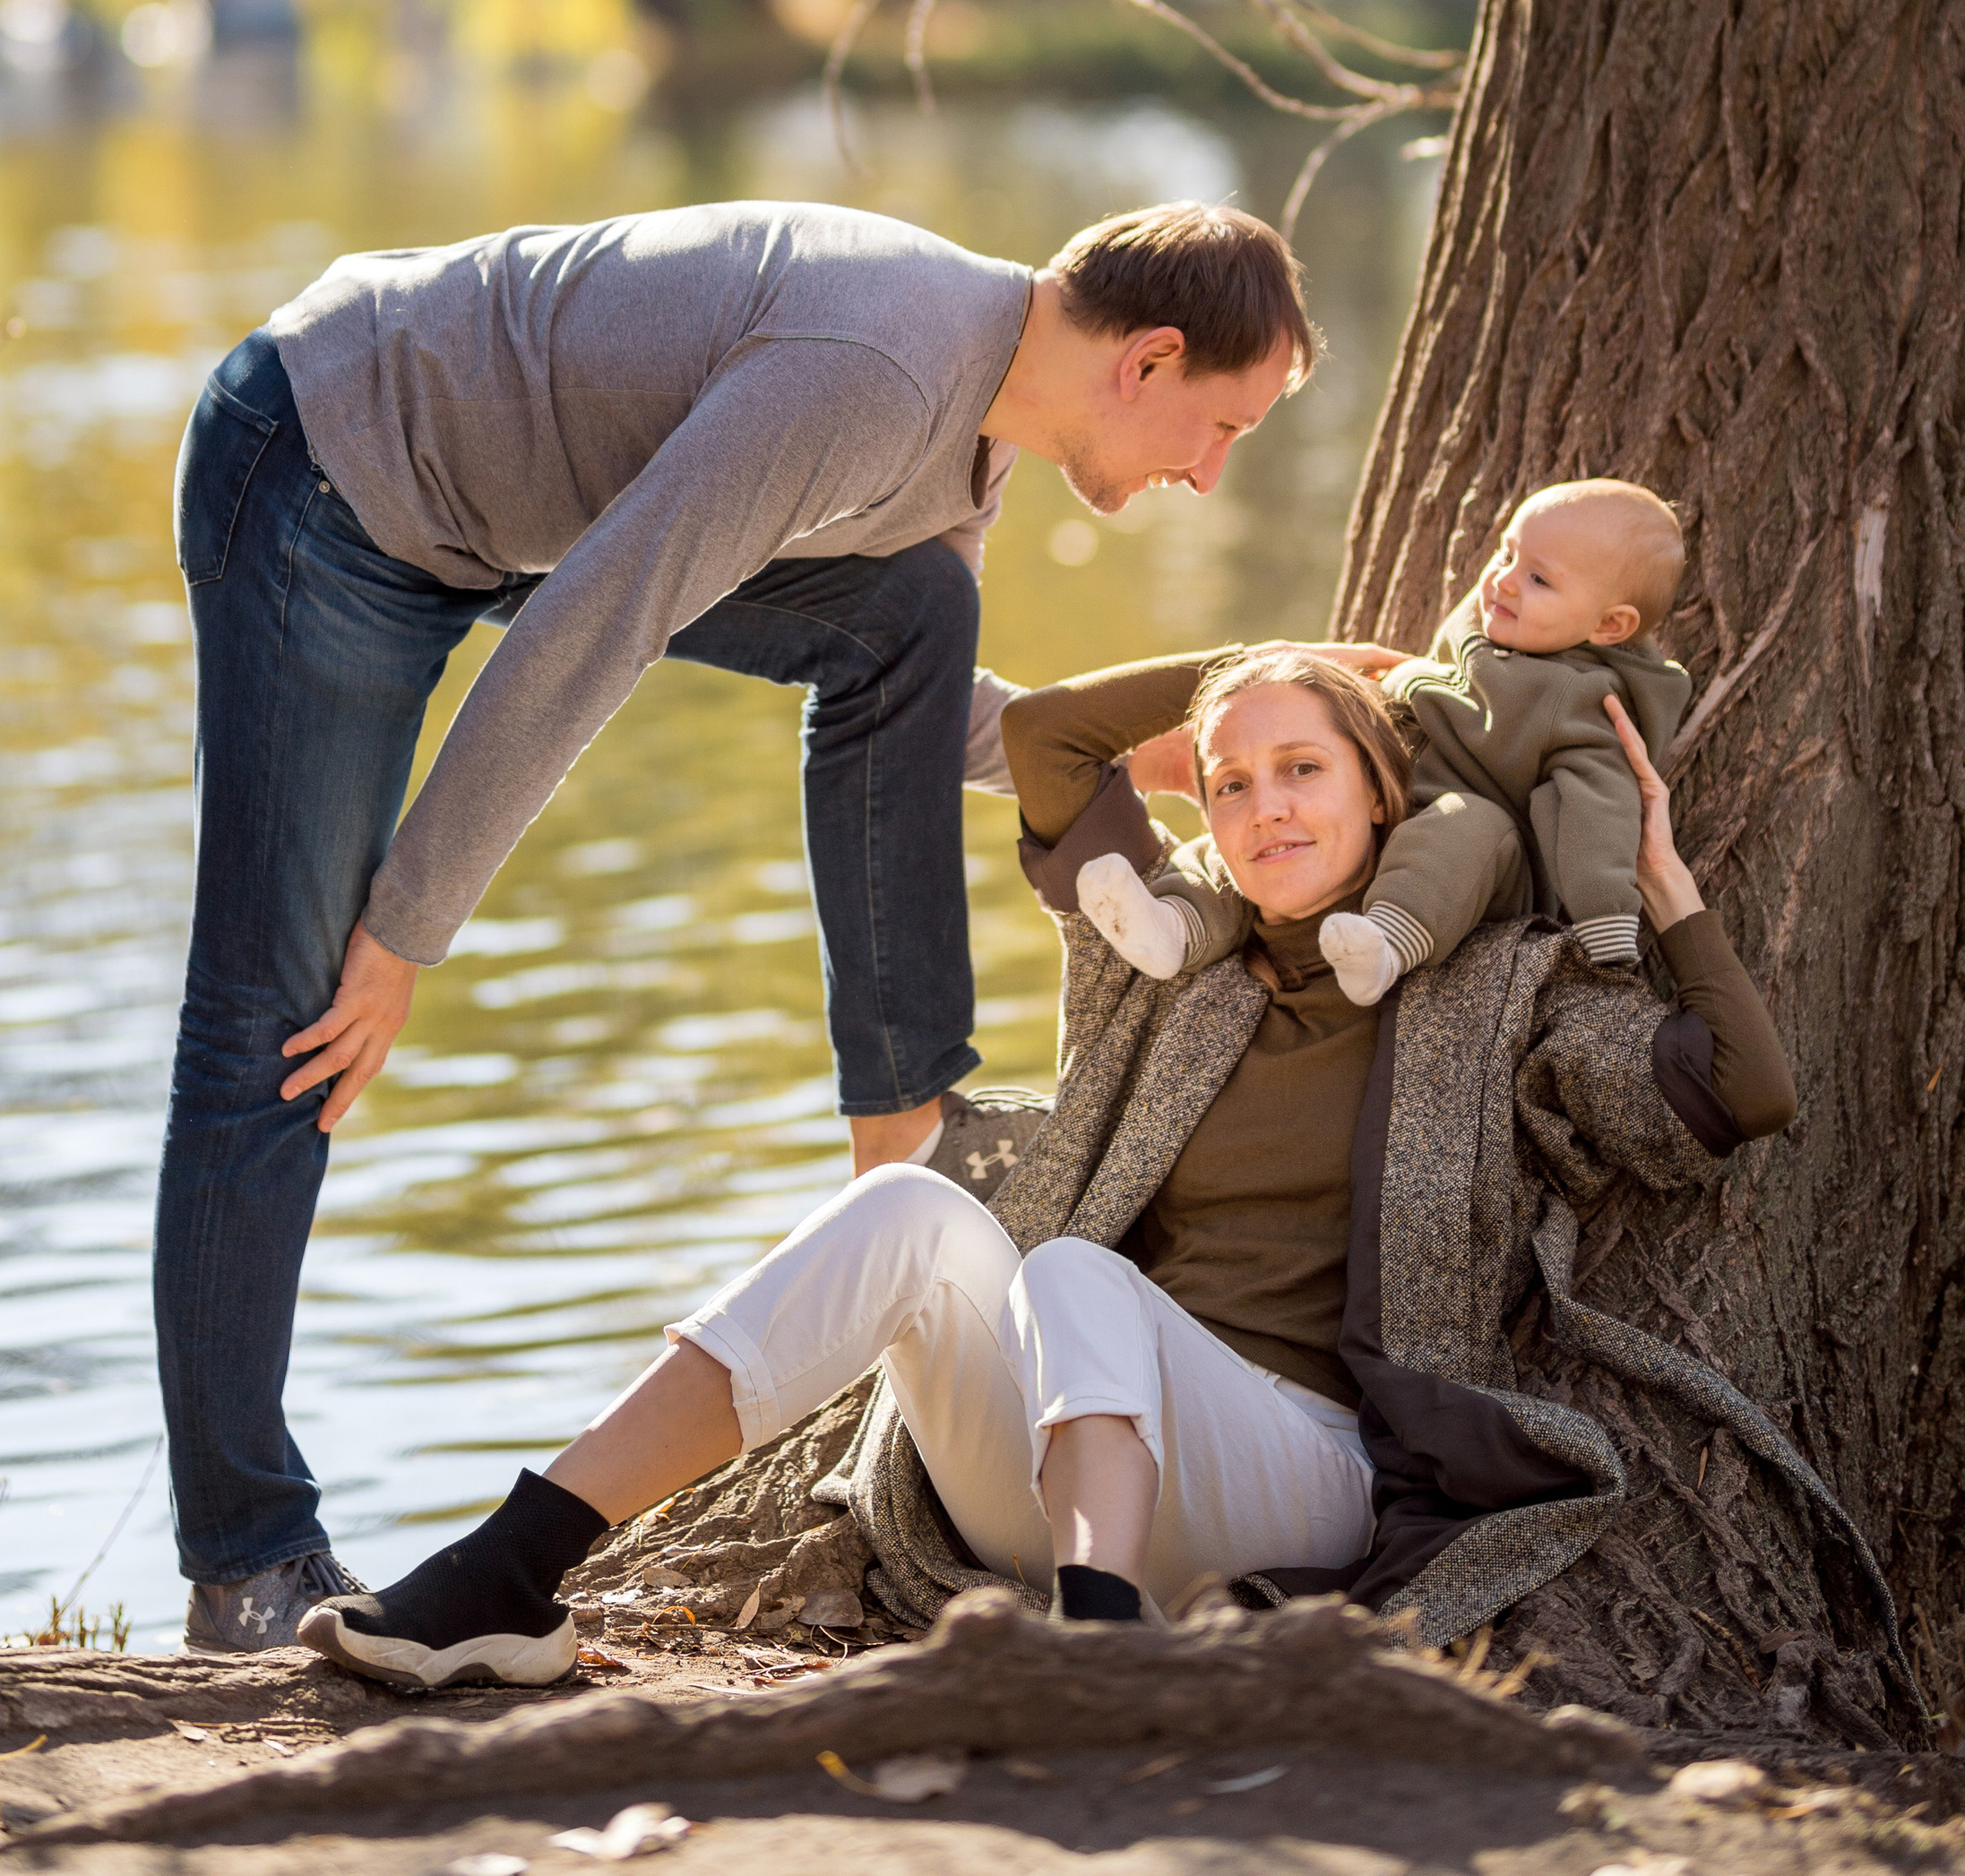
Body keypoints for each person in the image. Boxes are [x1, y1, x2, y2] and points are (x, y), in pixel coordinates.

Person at [159, 195, 1316, 1647]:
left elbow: (916, 693)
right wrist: (404, 933)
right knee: (288, 1028)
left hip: (505, 528)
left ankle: (905, 1126)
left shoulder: (972, 442)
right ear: (1148, 360)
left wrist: (1143, 750)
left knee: (910, 613)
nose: (1211, 477)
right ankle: (246, 1562)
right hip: (336, 465)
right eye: (1225, 428)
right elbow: (601, 621)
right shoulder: (875, 370)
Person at [295, 646, 1826, 1692]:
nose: (1263, 806)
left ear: (1384, 790)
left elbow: (1740, 1096)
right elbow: (1054, 736)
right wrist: (1291, 655)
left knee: (1075, 1274)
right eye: (1230, 783)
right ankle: (510, 1574)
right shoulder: (1169, 966)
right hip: (1045, 1467)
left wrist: (1669, 894)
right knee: (907, 1207)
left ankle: (1102, 1655)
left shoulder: (1499, 988)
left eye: (1304, 768)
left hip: (1297, 1480)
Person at [1075, 479, 1693, 1003]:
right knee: (1255, 832)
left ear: (1610, 625)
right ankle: (1173, 926)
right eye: (1505, 555)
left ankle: (1386, 944)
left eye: (1538, 579)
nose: (1503, 581)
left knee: (1463, 822)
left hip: (1478, 861)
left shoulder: (1580, 702)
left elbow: (1599, 811)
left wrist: (1608, 927)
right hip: (1391, 814)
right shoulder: (1493, 631)